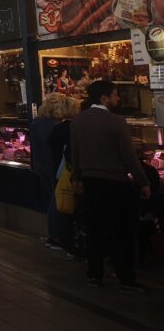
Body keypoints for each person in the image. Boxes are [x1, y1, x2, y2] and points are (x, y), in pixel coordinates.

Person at [70, 79, 151, 291]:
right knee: (121, 231)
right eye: (115, 95)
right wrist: (143, 181)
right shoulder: (116, 122)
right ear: (104, 98)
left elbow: (75, 153)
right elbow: (129, 157)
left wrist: (77, 178)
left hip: (90, 182)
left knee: (95, 229)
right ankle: (125, 277)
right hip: (115, 182)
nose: (118, 99)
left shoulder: (77, 121)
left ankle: (94, 274)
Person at [30, 92, 79, 251]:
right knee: (57, 201)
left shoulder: (37, 122)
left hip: (39, 164)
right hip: (52, 166)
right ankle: (57, 237)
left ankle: (52, 235)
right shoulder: (55, 126)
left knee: (51, 199)